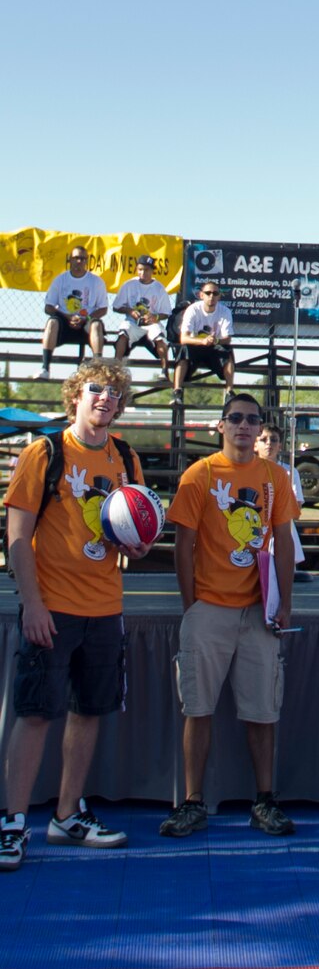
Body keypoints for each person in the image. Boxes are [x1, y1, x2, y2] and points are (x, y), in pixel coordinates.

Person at [1, 363, 152, 871]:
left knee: (89, 710)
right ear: (75, 397)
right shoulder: (44, 453)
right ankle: (13, 823)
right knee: (36, 713)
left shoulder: (126, 458)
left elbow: (140, 537)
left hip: (105, 608)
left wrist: (141, 540)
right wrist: (33, 603)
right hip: (53, 607)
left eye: (114, 391)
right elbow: (17, 537)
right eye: (95, 389)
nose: (105, 398)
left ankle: (67, 815)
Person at [161, 390, 299, 841]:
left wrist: (284, 604)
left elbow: (280, 542)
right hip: (210, 609)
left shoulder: (275, 476)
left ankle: (264, 799)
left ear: (261, 429)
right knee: (197, 709)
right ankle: (193, 801)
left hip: (258, 610)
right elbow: (183, 545)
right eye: (235, 418)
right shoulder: (199, 475)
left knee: (263, 711)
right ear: (221, 426)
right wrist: (192, 604)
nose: (243, 425)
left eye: (251, 419)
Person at [39, 246, 107, 377]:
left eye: (82, 258)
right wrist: (67, 316)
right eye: (76, 258)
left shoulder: (96, 282)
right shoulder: (60, 280)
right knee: (52, 322)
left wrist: (86, 318)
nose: (79, 261)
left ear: (87, 261)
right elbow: (48, 307)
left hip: (86, 322)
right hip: (64, 321)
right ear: (70, 260)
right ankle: (45, 368)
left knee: (97, 324)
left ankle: (98, 367)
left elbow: (103, 309)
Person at [254, 424, 307, 570]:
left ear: (280, 446)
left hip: (282, 530)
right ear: (255, 445)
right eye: (264, 439)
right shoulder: (248, 471)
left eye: (273, 440)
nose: (269, 443)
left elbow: (296, 509)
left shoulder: (290, 472)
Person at [112, 253, 173, 375]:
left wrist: (154, 317)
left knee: (159, 336)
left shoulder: (159, 288)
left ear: (152, 271)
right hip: (133, 322)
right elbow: (116, 307)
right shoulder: (129, 285)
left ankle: (164, 370)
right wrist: (129, 311)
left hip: (151, 324)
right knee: (124, 331)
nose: (143, 273)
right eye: (140, 269)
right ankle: (116, 368)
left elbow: (166, 313)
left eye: (146, 270)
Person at [173, 280, 236, 396]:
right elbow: (184, 338)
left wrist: (215, 340)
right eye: (208, 293)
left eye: (215, 293)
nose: (211, 296)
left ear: (219, 296)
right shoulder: (192, 309)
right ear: (201, 295)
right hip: (196, 346)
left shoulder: (225, 311)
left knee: (228, 351)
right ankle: (177, 390)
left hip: (214, 346)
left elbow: (227, 338)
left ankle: (229, 392)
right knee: (184, 350)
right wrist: (202, 341)